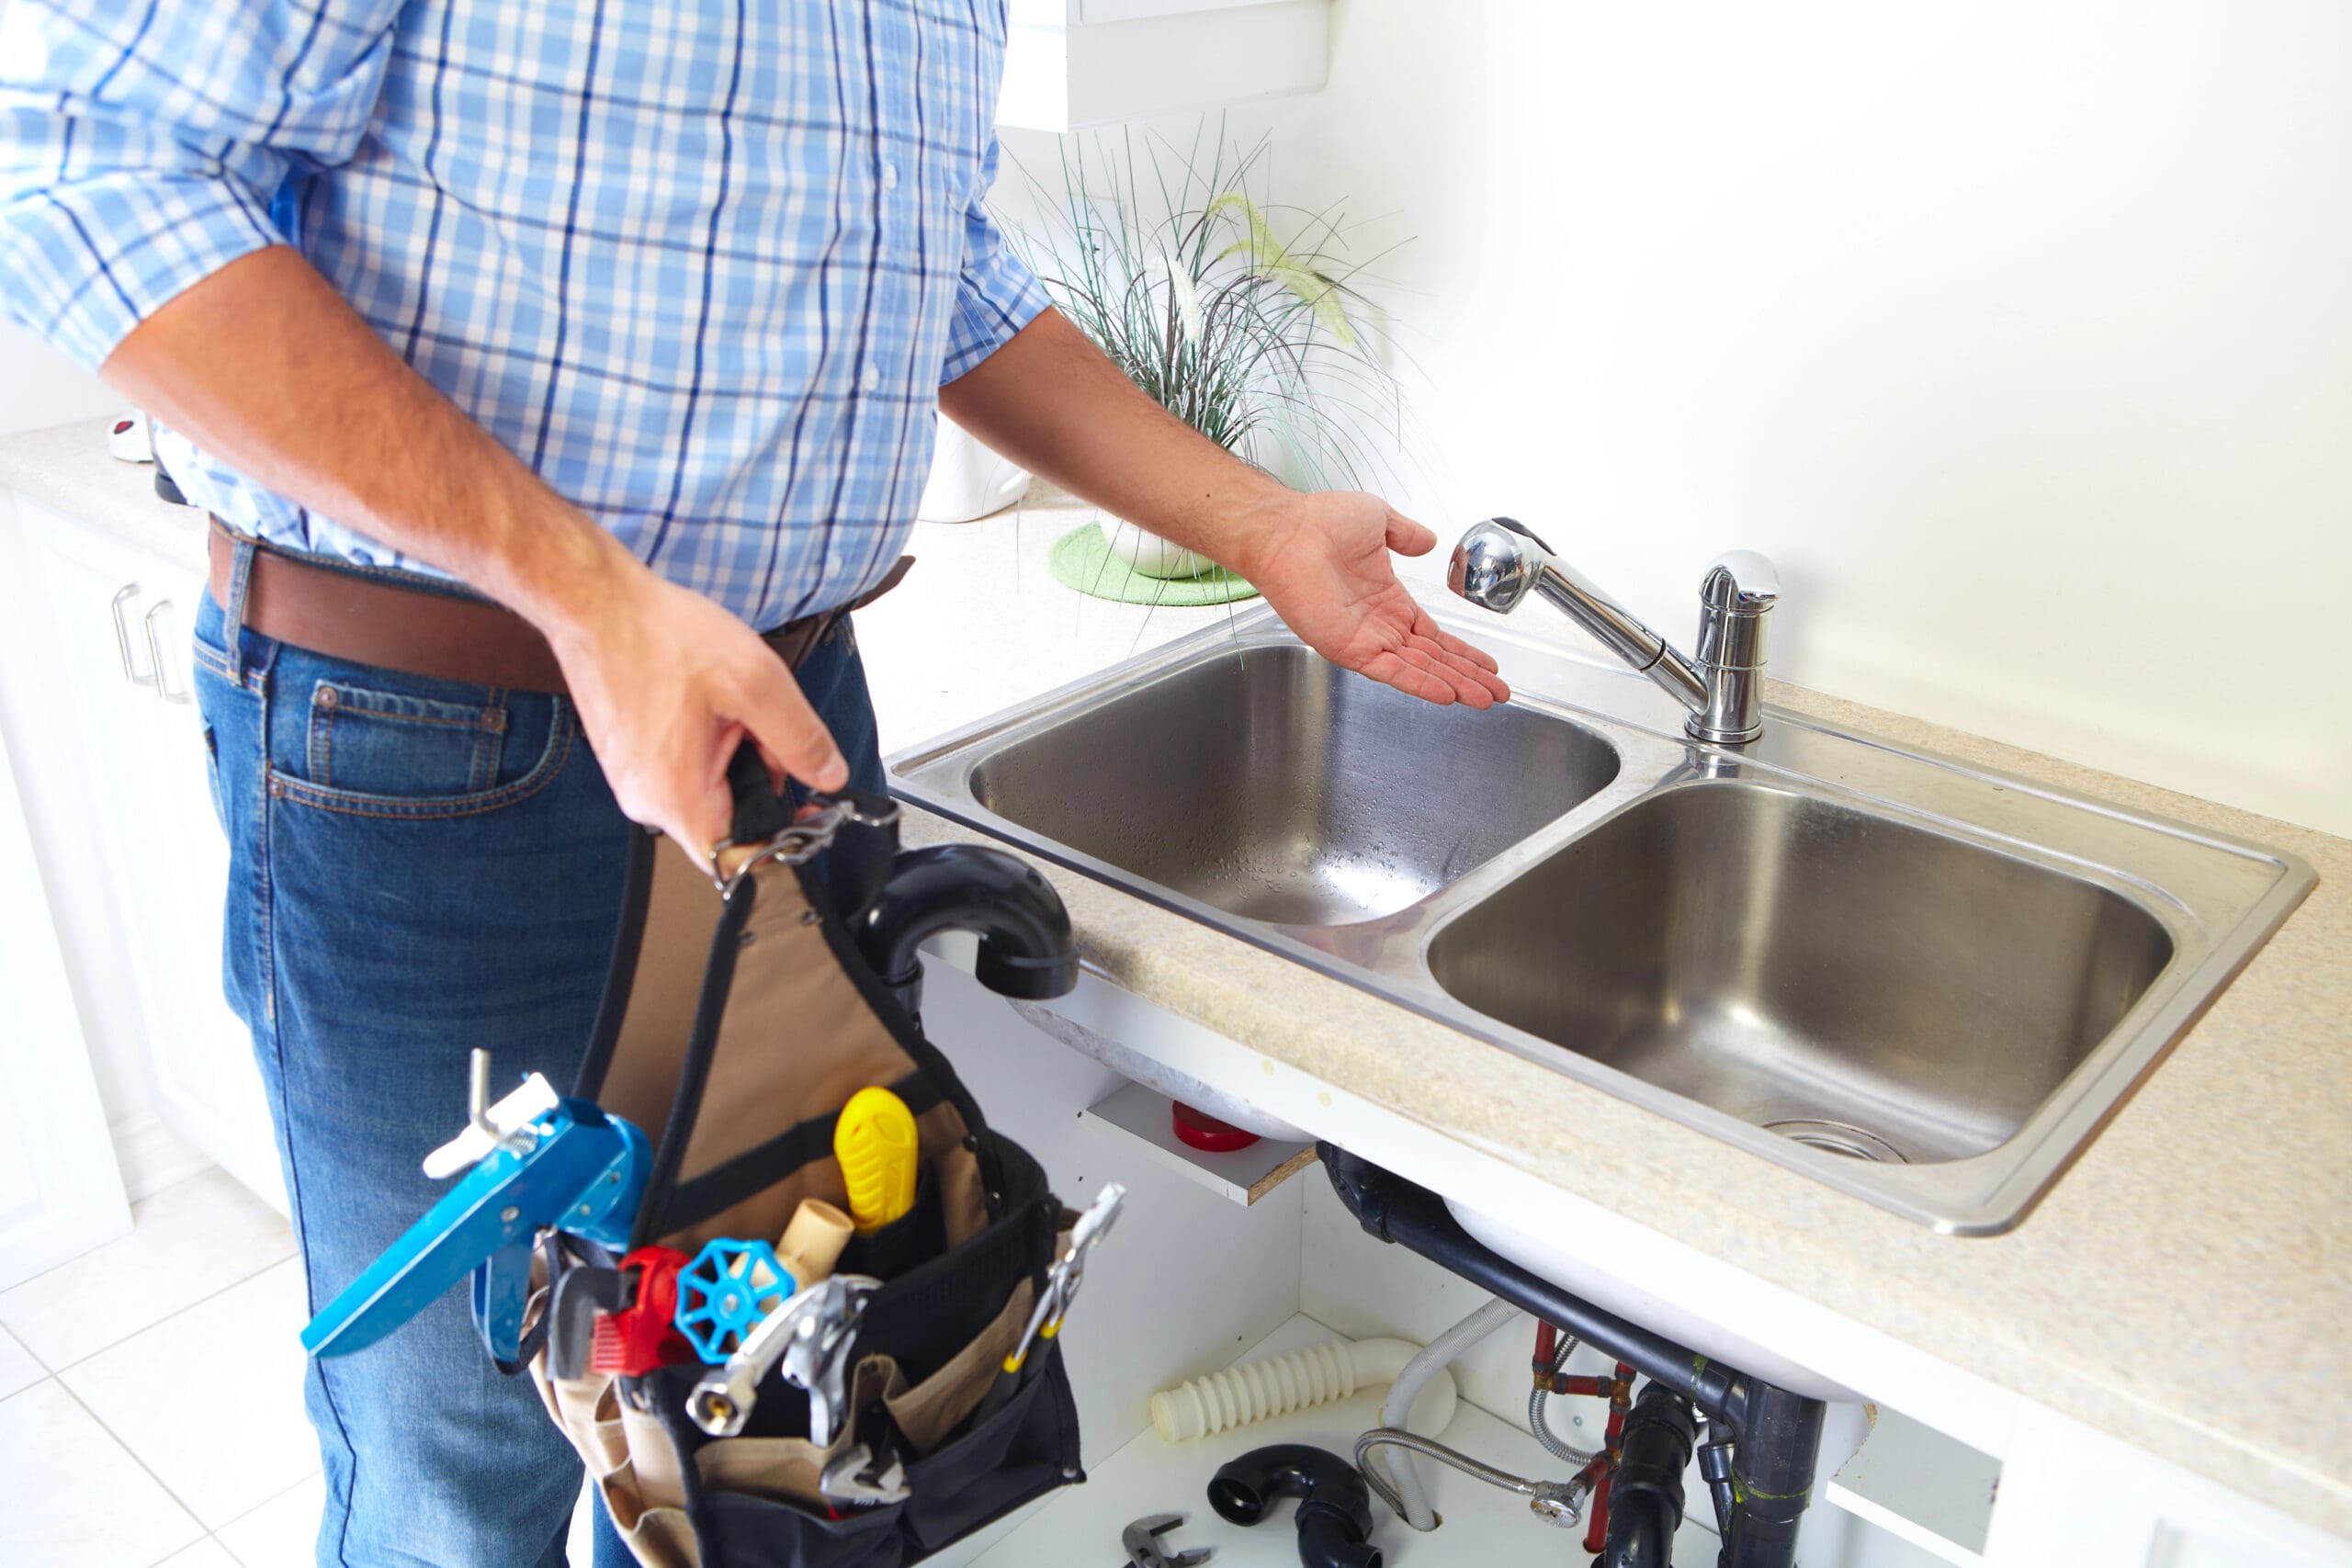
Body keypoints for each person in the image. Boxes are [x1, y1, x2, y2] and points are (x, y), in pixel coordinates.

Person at [0, 3, 1510, 1562]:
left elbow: (955, 284)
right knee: (466, 1448)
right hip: (442, 738)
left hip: (789, 726)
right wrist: (587, 596)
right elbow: (82, 170)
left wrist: (1255, 523)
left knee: (761, 1387)